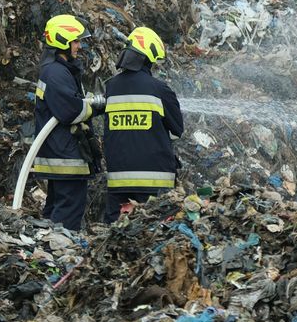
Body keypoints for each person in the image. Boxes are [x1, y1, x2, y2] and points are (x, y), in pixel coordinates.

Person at [102, 26, 184, 223]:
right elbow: (177, 130)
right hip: (154, 181)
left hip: (118, 179)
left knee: (114, 232)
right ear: (148, 57)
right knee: (152, 230)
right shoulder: (159, 89)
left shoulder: (110, 87)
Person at [33, 14, 103, 231]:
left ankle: (46, 245)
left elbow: (70, 101)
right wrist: (98, 107)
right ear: (62, 41)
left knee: (56, 208)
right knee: (68, 213)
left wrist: (89, 101)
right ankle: (60, 247)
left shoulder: (56, 70)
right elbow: (70, 111)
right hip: (66, 155)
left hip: (60, 152)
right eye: (75, 41)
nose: (79, 46)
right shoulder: (56, 72)